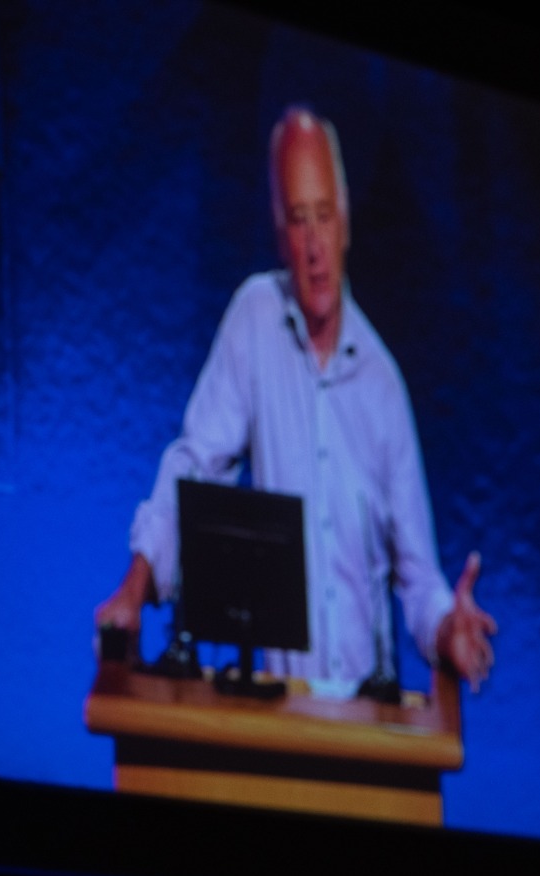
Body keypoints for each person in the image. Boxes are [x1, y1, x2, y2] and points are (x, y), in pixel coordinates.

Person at [94, 104, 496, 695]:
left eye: (324, 217)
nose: (314, 247)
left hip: (363, 721)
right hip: (277, 712)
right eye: (299, 220)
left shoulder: (382, 382)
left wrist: (447, 630)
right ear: (279, 232)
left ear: (346, 224)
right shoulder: (255, 319)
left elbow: (418, 577)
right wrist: (134, 589)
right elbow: (194, 469)